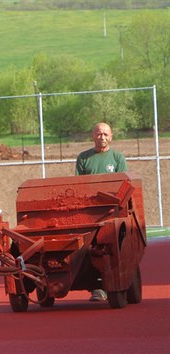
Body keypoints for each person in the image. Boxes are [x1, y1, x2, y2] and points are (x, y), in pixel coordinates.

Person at [75, 122, 127, 302]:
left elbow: (122, 186)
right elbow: (78, 187)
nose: (102, 137)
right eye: (98, 134)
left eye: (105, 134)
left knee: (113, 249)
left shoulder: (118, 158)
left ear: (111, 136)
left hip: (112, 214)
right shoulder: (83, 158)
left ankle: (117, 282)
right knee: (87, 250)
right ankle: (96, 287)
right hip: (89, 215)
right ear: (92, 136)